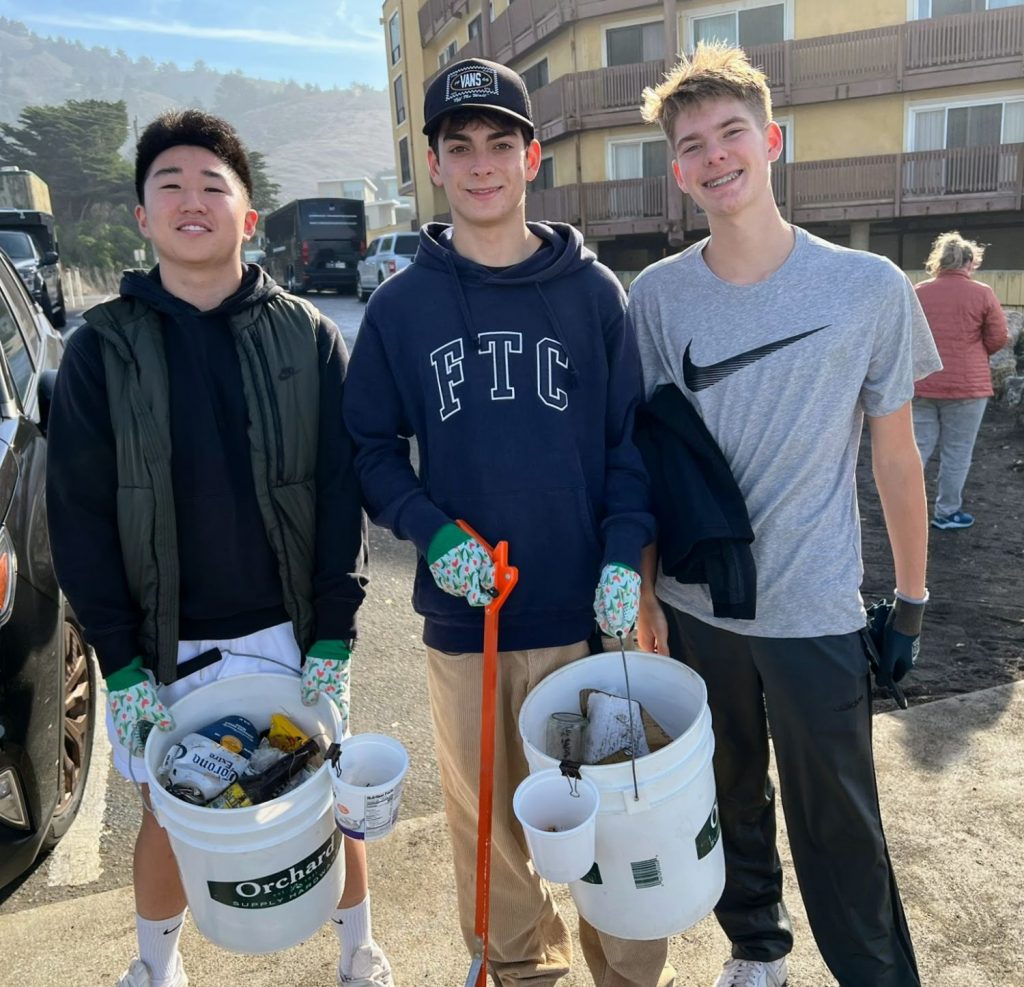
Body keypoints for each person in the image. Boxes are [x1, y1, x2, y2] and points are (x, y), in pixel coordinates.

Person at [342, 58, 672, 987]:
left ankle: (630, 976)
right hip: (466, 628)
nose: (481, 164)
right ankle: (522, 972)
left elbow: (627, 446)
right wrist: (429, 529)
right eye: (460, 147)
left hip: (587, 618)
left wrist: (621, 556)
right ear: (437, 168)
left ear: (533, 158)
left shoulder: (592, 294)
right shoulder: (403, 308)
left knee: (610, 816)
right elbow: (367, 448)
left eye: (500, 144)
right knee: (488, 827)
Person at [46, 110, 392, 987]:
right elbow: (77, 514)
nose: (191, 201)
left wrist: (334, 629)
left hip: (291, 626)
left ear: (247, 216)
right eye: (170, 185)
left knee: (323, 797)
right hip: (164, 641)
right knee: (165, 811)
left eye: (214, 186)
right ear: (142, 217)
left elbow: (340, 488)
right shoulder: (100, 350)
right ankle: (157, 966)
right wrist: (117, 662)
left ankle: (359, 951)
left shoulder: (309, 335)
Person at [628, 44, 941, 987]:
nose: (715, 156)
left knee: (842, 819)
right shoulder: (656, 297)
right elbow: (645, 458)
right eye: (692, 145)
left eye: (731, 133)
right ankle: (755, 948)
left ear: (770, 140)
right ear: (678, 172)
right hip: (695, 604)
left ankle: (877, 975)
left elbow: (896, 455)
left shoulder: (868, 287)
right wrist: (646, 600)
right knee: (726, 796)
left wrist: (912, 601)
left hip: (815, 608)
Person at [912, 231, 1008, 530]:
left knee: (915, 451)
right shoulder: (982, 293)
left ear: (938, 262)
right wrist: (976, 354)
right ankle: (947, 512)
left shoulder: (917, 292)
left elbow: (904, 336)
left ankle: (905, 514)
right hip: (968, 388)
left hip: (922, 383)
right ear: (969, 262)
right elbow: (998, 337)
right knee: (957, 452)